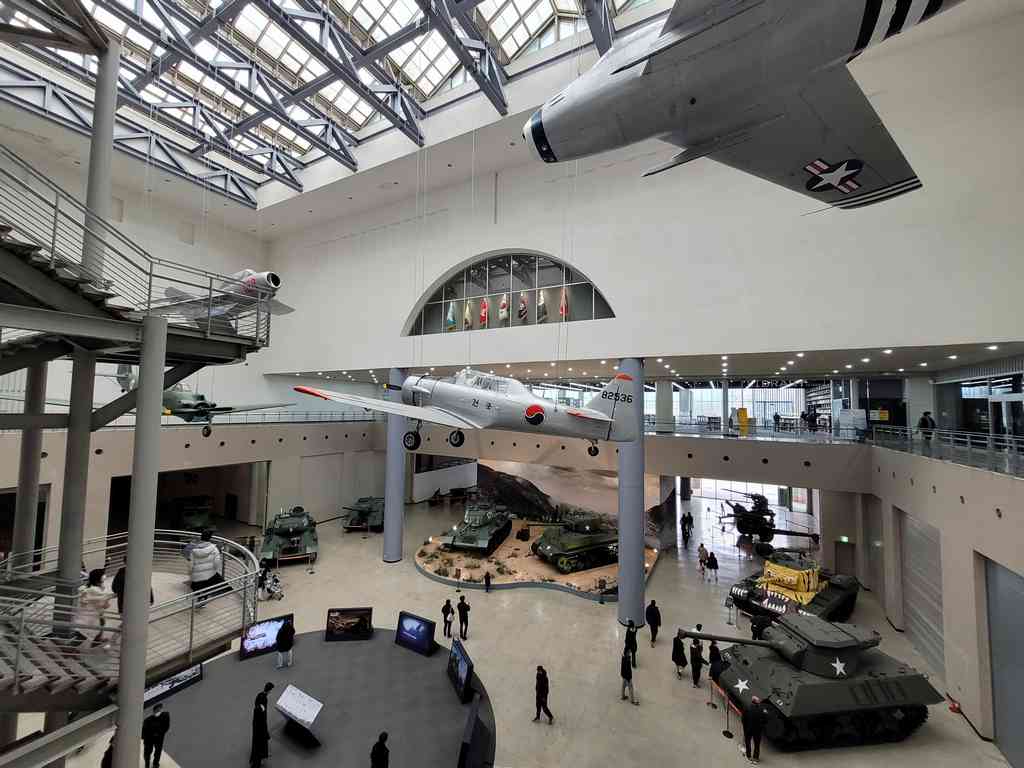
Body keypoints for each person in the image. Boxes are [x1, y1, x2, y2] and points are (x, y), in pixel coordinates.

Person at [79, 568, 112, 648]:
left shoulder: (94, 586)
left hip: (95, 612)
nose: (104, 576)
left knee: (101, 623)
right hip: (90, 614)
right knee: (84, 633)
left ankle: (97, 640)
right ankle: (70, 648)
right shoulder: (94, 589)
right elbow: (103, 599)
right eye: (102, 575)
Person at [188, 530, 222, 599]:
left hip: (196, 576)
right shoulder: (214, 549)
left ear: (201, 537)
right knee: (206, 589)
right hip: (209, 575)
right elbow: (216, 563)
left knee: (197, 590)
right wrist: (213, 570)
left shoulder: (193, 549)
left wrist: (190, 573)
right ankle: (203, 600)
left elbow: (190, 564)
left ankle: (198, 599)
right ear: (210, 538)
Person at [250, 682, 274, 768]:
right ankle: (257, 763)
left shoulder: (259, 694)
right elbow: (263, 716)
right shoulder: (264, 700)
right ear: (269, 690)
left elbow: (256, 704)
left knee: (257, 742)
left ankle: (257, 760)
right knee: (260, 743)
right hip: (261, 726)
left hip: (256, 724)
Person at [142, 703, 171, 768]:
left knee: (158, 752)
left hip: (159, 738)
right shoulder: (147, 720)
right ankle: (147, 765)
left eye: (160, 709)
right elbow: (143, 733)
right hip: (149, 739)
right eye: (158, 710)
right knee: (147, 753)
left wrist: (160, 733)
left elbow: (166, 726)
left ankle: (155, 764)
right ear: (154, 711)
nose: (159, 711)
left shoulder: (166, 715)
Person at [741, 696, 767, 764]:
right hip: (758, 731)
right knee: (757, 745)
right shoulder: (762, 710)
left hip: (748, 729)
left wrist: (745, 728)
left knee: (748, 742)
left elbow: (743, 719)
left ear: (752, 701)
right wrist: (761, 726)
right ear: (757, 702)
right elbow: (765, 720)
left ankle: (748, 756)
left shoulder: (747, 708)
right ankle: (755, 758)